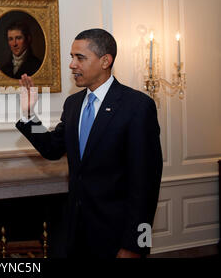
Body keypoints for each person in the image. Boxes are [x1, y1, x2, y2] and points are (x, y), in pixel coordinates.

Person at [16, 29, 163, 258]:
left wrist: (136, 244)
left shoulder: (136, 106)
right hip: (76, 233)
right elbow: (53, 148)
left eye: (80, 58)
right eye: (71, 57)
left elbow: (146, 184)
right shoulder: (73, 104)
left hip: (117, 237)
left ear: (105, 61)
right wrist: (28, 115)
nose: (72, 65)